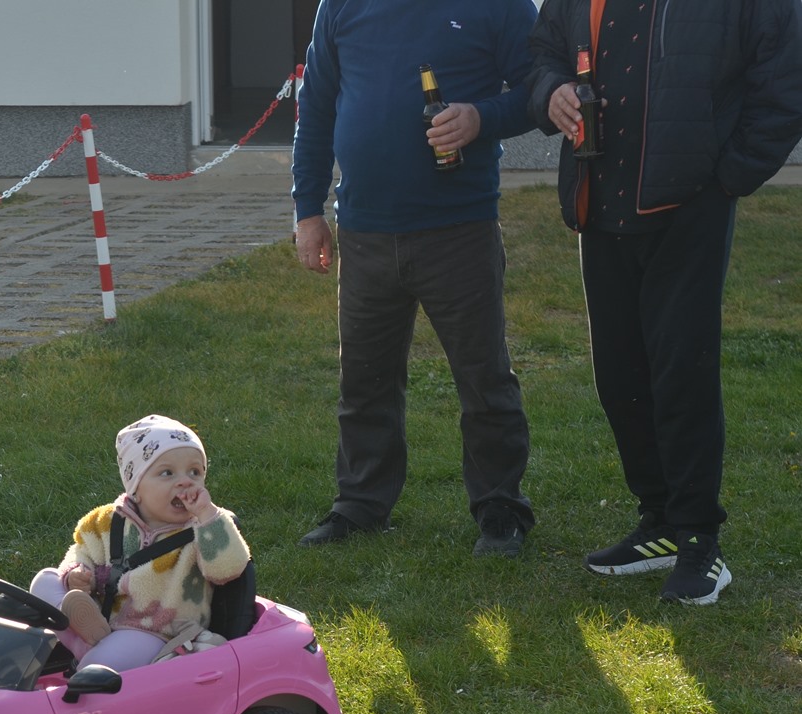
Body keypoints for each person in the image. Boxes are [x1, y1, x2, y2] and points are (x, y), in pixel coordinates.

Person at [527, 0, 802, 605]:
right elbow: (542, 52)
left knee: (683, 374)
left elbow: (785, 79)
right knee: (619, 377)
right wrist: (551, 93)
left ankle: (700, 537)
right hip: (600, 197)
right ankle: (660, 521)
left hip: (691, 205)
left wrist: (729, 178)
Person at [292, 0, 539, 557]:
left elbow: (539, 91)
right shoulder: (342, 6)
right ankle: (360, 504)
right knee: (365, 381)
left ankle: (501, 508)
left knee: (483, 378)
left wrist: (480, 118)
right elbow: (318, 105)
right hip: (365, 230)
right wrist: (308, 210)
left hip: (459, 228)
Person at [29, 414, 251, 672]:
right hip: (103, 616)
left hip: (154, 632)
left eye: (195, 471)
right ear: (135, 487)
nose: (185, 481)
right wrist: (77, 575)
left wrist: (208, 515)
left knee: (98, 669)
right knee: (45, 580)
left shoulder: (203, 529)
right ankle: (84, 634)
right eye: (167, 473)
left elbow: (229, 569)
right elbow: (81, 552)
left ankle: (86, 654)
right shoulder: (105, 522)